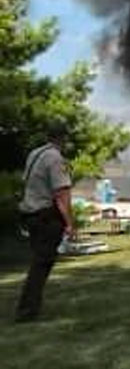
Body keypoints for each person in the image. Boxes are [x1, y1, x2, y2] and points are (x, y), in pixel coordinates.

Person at [15, 119, 74, 323]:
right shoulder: (56, 158)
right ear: (63, 138)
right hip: (45, 217)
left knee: (39, 262)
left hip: (30, 214)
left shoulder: (35, 154)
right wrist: (69, 223)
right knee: (41, 264)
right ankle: (27, 310)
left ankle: (30, 307)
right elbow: (61, 194)